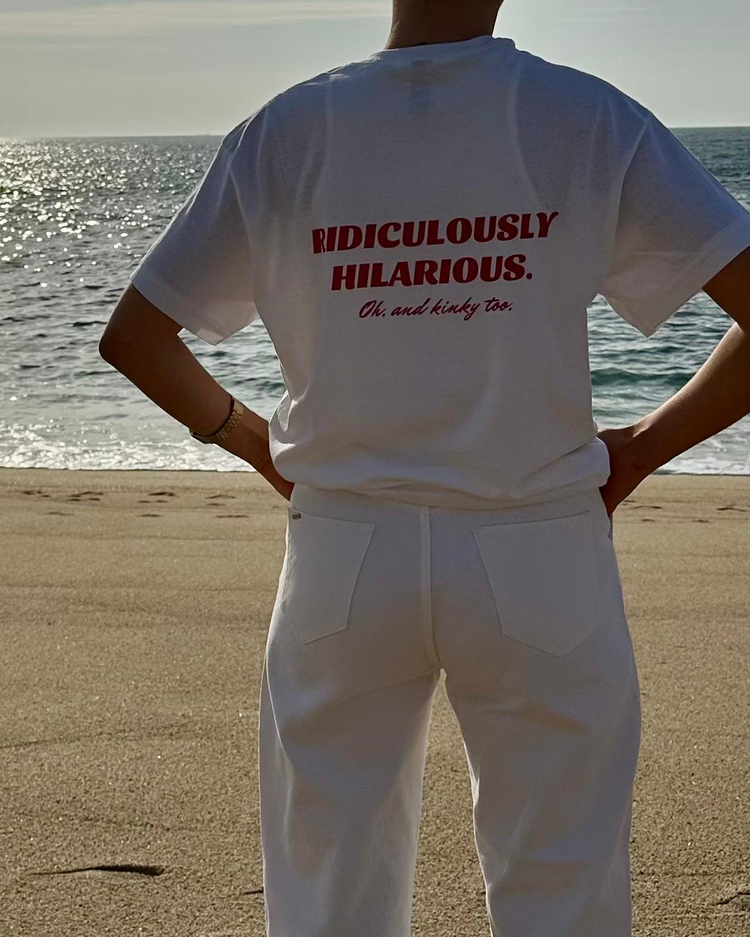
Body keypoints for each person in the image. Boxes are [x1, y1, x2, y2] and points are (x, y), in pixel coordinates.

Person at [99, 1, 750, 934]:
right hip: (537, 542)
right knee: (561, 889)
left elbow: (138, 335)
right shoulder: (585, 118)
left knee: (329, 893)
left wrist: (258, 445)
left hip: (344, 550)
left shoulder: (290, 129)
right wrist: (640, 449)